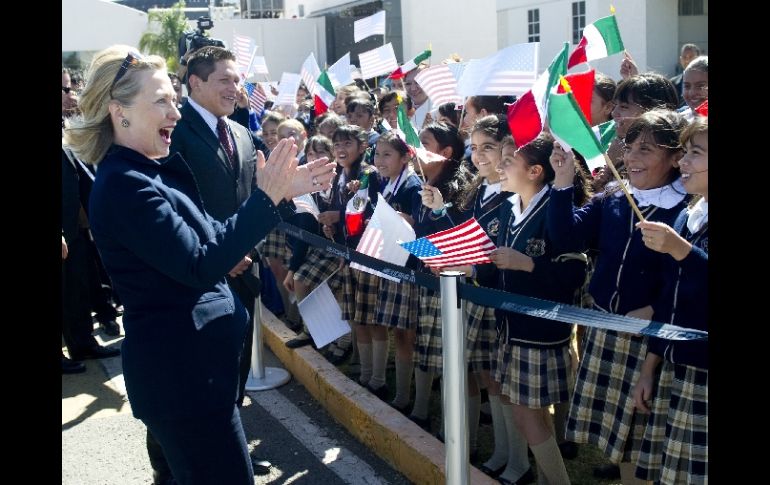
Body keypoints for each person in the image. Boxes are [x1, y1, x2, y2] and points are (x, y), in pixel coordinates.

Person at [63, 45, 335, 485]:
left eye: (174, 99)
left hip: (197, 376)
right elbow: (199, 263)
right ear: (119, 112)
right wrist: (266, 196)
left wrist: (281, 193)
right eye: (161, 101)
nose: (175, 112)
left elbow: (213, 235)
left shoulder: (149, 171)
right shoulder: (126, 184)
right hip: (184, 381)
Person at [548, 109, 690, 485]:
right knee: (619, 442)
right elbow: (566, 238)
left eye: (646, 149)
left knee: (643, 441)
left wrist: (654, 309)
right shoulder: (613, 196)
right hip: (606, 328)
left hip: (652, 340)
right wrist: (562, 182)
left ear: (675, 158)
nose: (631, 158)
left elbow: (686, 282)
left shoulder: (684, 209)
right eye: (629, 147)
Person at [490, 133, 591, 485]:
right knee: (529, 414)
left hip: (540, 333)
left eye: (508, 161)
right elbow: (495, 265)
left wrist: (528, 264)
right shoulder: (508, 206)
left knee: (528, 416)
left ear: (535, 171)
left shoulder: (556, 210)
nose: (499, 167)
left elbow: (574, 274)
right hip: (509, 325)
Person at [633, 116, 708, 484]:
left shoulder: (682, 232)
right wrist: (650, 367)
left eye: (696, 153)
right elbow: (669, 299)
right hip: (676, 366)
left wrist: (683, 251)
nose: (683, 162)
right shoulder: (686, 216)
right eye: (684, 152)